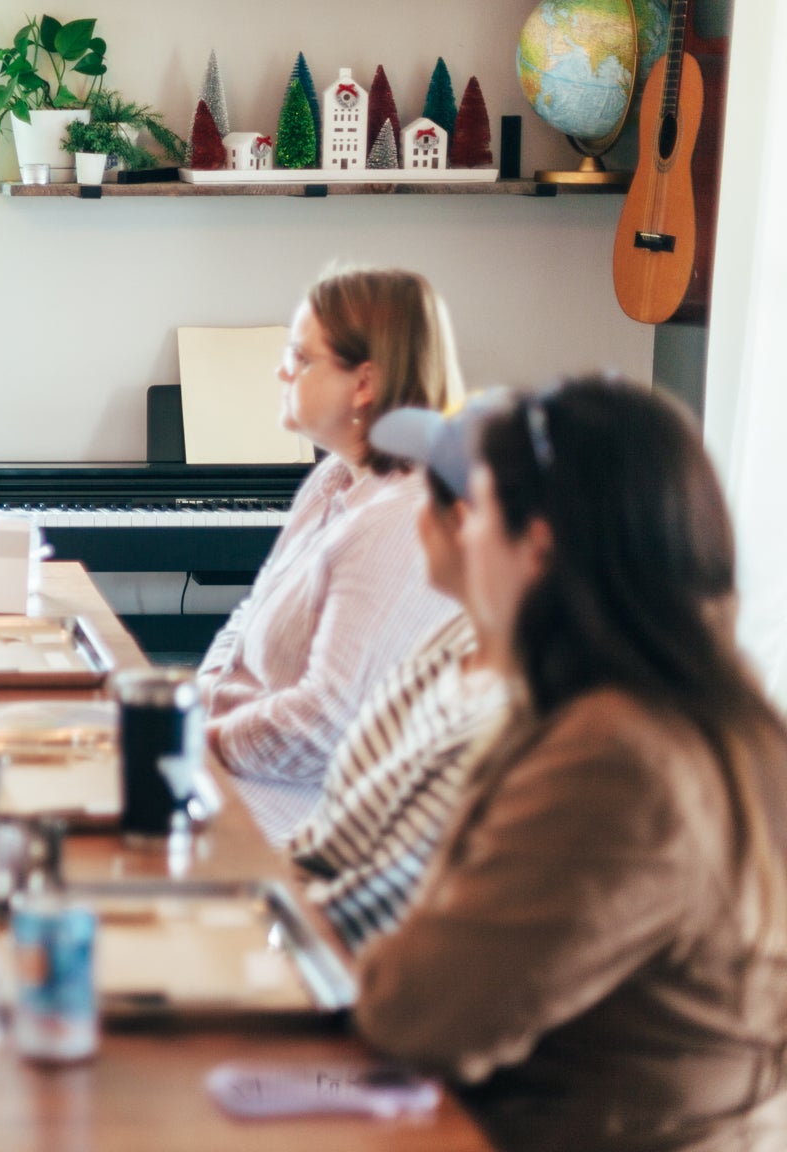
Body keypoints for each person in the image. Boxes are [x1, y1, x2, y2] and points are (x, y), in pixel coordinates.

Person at [357, 377, 787, 1151]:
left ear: (541, 540)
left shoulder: (622, 757)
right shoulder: (711, 713)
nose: (456, 527)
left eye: (477, 510)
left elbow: (419, 1012)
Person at [196, 267, 460, 841]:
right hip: (216, 774)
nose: (281, 370)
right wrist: (196, 702)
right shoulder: (332, 479)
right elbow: (248, 616)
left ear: (363, 384)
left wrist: (203, 737)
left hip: (283, 821)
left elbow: (324, 725)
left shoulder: (400, 520)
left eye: (301, 358)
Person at [284, 400, 509, 950]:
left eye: (437, 492)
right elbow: (329, 837)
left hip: (336, 970)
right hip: (298, 915)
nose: (420, 511)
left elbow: (365, 924)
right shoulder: (454, 640)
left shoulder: (504, 721)